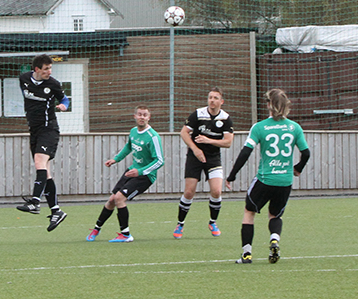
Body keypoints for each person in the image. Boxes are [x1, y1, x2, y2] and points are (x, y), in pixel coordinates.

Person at [225, 88, 310, 265]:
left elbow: (245, 153)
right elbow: (306, 153)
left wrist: (232, 176)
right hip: (285, 181)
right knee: (275, 215)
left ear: (270, 105)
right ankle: (274, 240)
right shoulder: (294, 127)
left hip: (265, 179)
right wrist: (298, 168)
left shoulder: (260, 127)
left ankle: (247, 254)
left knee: (249, 212)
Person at [86, 106, 164, 243]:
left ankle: (126, 234)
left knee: (119, 198)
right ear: (134, 116)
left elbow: (159, 161)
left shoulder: (153, 137)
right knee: (111, 200)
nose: (142, 117)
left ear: (149, 117)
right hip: (132, 171)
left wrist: (140, 171)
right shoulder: (133, 132)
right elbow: (129, 146)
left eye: (145, 115)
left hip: (146, 176)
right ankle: (96, 229)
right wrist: (115, 159)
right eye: (139, 114)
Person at [14, 54, 68, 232]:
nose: (49, 72)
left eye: (50, 69)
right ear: (36, 69)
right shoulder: (24, 79)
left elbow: (64, 99)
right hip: (34, 130)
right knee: (46, 172)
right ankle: (56, 211)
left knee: (39, 161)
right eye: (46, 69)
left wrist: (63, 105)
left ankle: (35, 202)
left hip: (49, 129)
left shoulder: (53, 84)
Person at [173, 88, 234, 239]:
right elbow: (183, 132)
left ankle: (212, 222)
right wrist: (195, 149)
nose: (212, 100)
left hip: (213, 158)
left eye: (215, 98)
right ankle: (180, 223)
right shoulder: (198, 114)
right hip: (195, 157)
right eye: (210, 97)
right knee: (189, 192)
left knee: (216, 191)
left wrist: (208, 141)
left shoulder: (226, 119)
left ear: (221, 101)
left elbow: (228, 143)